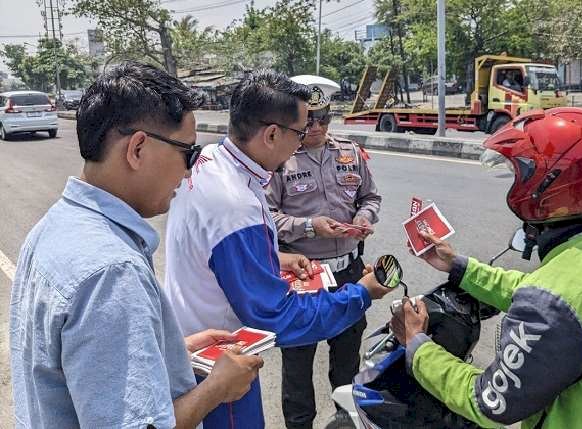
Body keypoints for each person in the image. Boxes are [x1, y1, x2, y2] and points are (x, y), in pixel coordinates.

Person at [391, 108, 582, 429]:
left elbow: (489, 401)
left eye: (520, 173)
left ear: (549, 183)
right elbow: (539, 290)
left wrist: (417, 345)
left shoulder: (555, 299)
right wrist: (458, 266)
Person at [9, 62, 263, 429]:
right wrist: (218, 388)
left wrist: (170, 349)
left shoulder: (54, 227)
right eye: (188, 154)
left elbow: (74, 368)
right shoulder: (112, 272)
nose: (190, 172)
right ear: (138, 149)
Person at [163, 70, 393, 428]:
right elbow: (277, 317)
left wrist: (276, 257)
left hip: (201, 345)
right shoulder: (236, 206)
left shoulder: (212, 160)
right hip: (220, 363)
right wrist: (362, 294)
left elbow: (219, 254)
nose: (302, 142)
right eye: (299, 133)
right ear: (272, 134)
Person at [266, 75, 382, 429]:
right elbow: (266, 218)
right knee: (299, 367)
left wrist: (363, 217)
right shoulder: (279, 161)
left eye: (324, 118)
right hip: (302, 276)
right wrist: (309, 226)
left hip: (349, 272)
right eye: (309, 119)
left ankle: (346, 423)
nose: (316, 127)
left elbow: (371, 197)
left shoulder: (349, 152)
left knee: (347, 363)